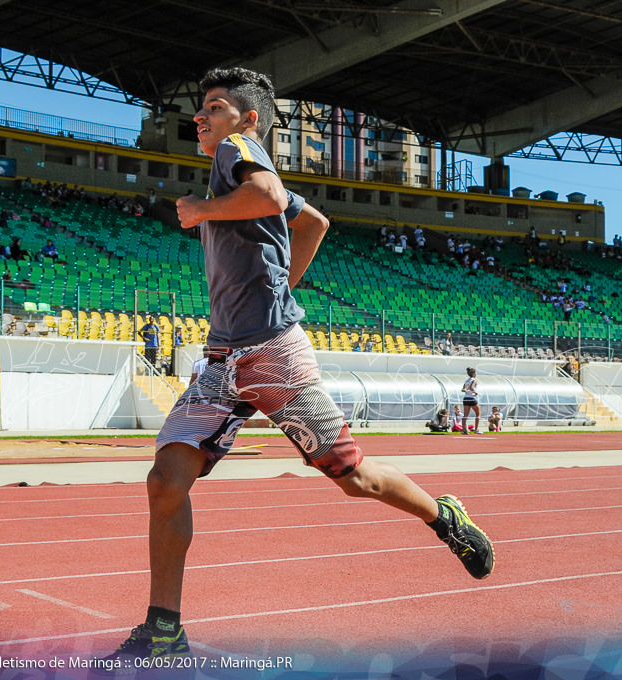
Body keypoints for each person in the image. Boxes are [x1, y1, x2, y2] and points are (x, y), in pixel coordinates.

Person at [102, 67, 493, 666]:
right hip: (223, 359)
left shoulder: (238, 151)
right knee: (165, 480)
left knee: (351, 477)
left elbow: (271, 199)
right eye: (201, 109)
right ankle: (163, 630)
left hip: (273, 354)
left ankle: (445, 515)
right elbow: (313, 221)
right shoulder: (235, 159)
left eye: (214, 106)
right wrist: (280, 278)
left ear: (247, 118)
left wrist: (204, 210)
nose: (201, 117)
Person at [461, 367, 480, 435]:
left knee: (465, 415)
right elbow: (472, 387)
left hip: (466, 398)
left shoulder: (466, 381)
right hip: (472, 398)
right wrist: (475, 392)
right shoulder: (474, 380)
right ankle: (476, 429)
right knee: (478, 414)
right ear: (474, 374)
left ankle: (464, 430)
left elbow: (463, 389)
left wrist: (466, 390)